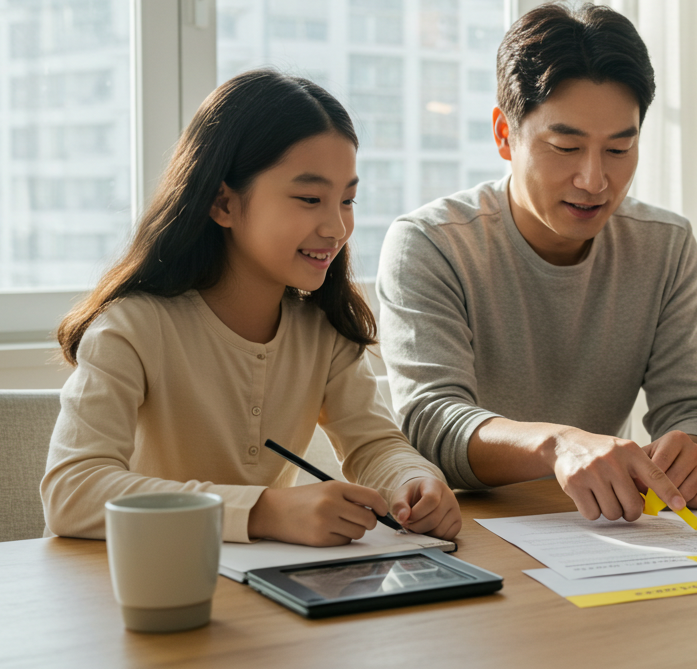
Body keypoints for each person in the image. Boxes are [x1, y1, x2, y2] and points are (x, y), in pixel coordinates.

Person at [43, 70, 461, 546]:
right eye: (310, 198)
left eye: (347, 200)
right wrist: (262, 511)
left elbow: (374, 444)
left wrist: (413, 480)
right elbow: (72, 491)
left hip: (261, 582)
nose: (336, 228)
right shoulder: (132, 328)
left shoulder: (322, 331)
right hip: (137, 577)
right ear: (222, 203)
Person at [378, 2, 697, 522]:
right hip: (470, 526)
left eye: (619, 150)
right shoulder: (431, 244)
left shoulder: (665, 246)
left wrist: (688, 448)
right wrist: (557, 445)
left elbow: (689, 408)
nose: (594, 180)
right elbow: (431, 422)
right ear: (503, 133)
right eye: (564, 146)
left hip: (604, 525)